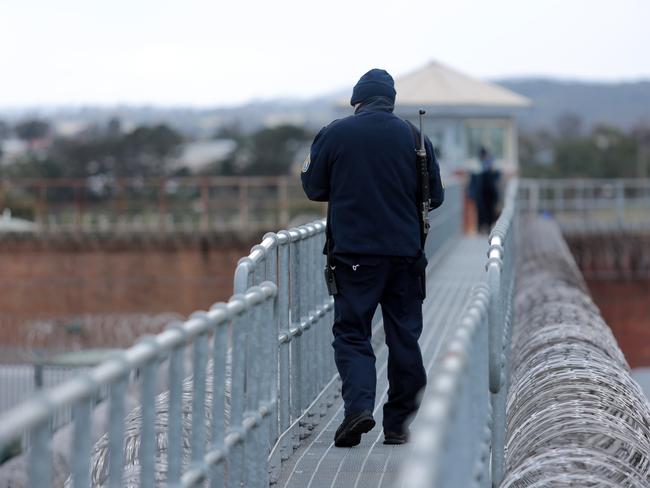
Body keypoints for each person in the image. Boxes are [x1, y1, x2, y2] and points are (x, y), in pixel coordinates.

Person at [300, 68, 445, 447]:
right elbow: (437, 197)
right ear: (392, 101)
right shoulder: (415, 137)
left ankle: (357, 410)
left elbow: (314, 188)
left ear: (356, 100)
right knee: (404, 338)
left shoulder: (335, 133)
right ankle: (397, 424)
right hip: (405, 257)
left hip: (353, 257)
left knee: (352, 333)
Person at [476, 147, 500, 233]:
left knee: (488, 211)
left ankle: (487, 227)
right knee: (487, 211)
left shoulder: (486, 164)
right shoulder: (487, 164)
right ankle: (487, 227)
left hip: (488, 192)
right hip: (487, 192)